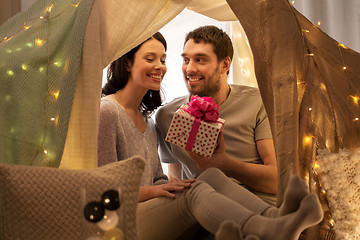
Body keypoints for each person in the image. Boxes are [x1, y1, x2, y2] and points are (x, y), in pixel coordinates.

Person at [98, 32, 323, 240]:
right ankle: (268, 229)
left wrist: (168, 185)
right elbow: (102, 192)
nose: (160, 67)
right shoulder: (108, 111)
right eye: (150, 59)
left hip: (151, 209)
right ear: (127, 63)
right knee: (195, 190)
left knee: (211, 176)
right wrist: (157, 190)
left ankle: (276, 219)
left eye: (163, 60)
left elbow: (159, 178)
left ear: (225, 65)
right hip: (119, 219)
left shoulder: (147, 120)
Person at [155, 25, 277, 204]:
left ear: (225, 65)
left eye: (200, 60)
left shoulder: (258, 103)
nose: (189, 69)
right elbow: (175, 177)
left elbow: (276, 182)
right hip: (202, 206)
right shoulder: (167, 115)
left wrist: (224, 164)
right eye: (186, 59)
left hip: (258, 205)